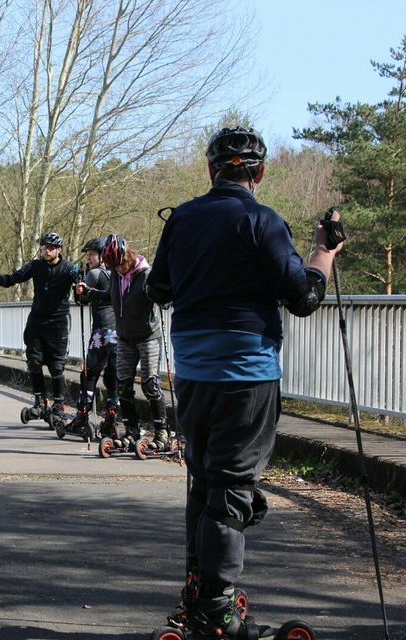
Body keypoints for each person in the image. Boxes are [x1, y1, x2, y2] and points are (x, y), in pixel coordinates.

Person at [144, 126, 344, 638]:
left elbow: (158, 288)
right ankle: (218, 611)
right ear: (260, 172)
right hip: (247, 371)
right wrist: (324, 253)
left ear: (211, 170)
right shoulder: (264, 220)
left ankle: (197, 595)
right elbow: (303, 297)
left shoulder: (182, 219)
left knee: (204, 480)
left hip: (192, 370)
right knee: (232, 488)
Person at [0, 232, 81, 423]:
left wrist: (82, 287)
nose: (46, 250)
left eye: (51, 247)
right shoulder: (35, 266)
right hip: (37, 322)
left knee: (56, 367)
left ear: (59, 250)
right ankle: (40, 403)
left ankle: (58, 405)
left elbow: (80, 280)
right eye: (44, 247)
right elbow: (13, 278)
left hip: (58, 324)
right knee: (33, 362)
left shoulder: (69, 269)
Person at [85, 234, 169, 448]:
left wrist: (162, 295)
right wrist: (91, 293)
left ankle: (162, 432)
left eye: (121, 265)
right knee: (123, 386)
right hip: (124, 337)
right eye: (114, 267)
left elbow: (162, 296)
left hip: (148, 335)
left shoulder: (145, 274)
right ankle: (132, 430)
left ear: (128, 257)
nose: (119, 270)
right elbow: (112, 296)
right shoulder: (114, 273)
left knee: (150, 384)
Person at [72, 237, 118, 434]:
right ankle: (111, 414)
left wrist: (78, 284)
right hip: (121, 333)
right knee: (113, 376)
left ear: (101, 256)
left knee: (88, 375)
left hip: (101, 332)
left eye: (91, 254)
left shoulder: (94, 274)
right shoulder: (118, 274)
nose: (89, 258)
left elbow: (81, 300)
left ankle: (82, 417)